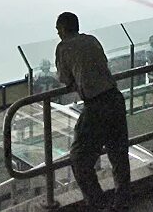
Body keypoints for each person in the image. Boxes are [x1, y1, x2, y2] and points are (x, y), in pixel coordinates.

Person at [55, 12, 130, 210]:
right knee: (118, 156)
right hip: (115, 99)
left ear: (63, 29)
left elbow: (65, 78)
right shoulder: (92, 40)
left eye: (58, 30)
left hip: (96, 106)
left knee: (79, 159)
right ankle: (122, 204)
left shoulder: (63, 48)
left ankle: (98, 205)